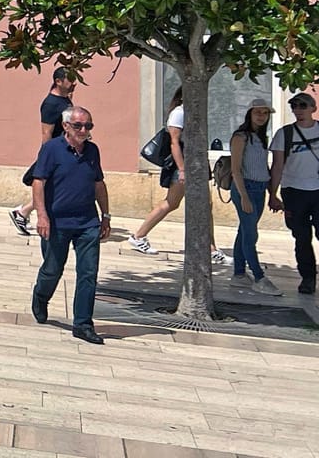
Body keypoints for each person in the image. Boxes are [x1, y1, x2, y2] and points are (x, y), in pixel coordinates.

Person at [28, 105, 110, 344]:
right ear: (65, 126)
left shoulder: (92, 151)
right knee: (53, 268)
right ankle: (41, 295)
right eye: (78, 125)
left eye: (88, 126)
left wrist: (106, 216)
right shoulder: (51, 149)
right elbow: (38, 182)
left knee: (88, 273)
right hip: (57, 222)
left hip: (87, 222)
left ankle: (83, 324)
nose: (83, 130)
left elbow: (98, 184)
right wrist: (42, 215)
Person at [130, 90, 223, 260]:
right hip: (185, 166)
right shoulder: (179, 113)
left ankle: (210, 248)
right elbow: (174, 143)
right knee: (176, 203)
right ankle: (138, 236)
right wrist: (182, 169)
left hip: (195, 165)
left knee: (196, 204)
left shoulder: (192, 113)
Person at [11, 67, 78, 235]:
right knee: (50, 188)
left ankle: (23, 212)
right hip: (56, 151)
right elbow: (46, 132)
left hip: (67, 148)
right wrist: (47, 157)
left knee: (55, 188)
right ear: (58, 81)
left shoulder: (65, 100)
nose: (73, 82)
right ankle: (23, 212)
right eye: (70, 79)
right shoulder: (50, 104)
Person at [269, 90, 319, 294]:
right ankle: (308, 278)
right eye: (294, 106)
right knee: (302, 237)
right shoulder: (285, 133)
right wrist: (272, 194)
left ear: (313, 109)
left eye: (303, 105)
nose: (298, 110)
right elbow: (277, 166)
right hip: (294, 192)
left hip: (318, 190)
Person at [230, 97, 281, 294]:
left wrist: (272, 193)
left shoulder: (261, 138)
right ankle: (259, 277)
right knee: (251, 234)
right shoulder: (240, 137)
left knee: (244, 231)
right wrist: (243, 196)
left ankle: (239, 274)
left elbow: (263, 167)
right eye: (257, 112)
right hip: (245, 188)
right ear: (249, 114)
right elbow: (236, 169)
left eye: (265, 112)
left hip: (260, 189)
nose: (261, 116)